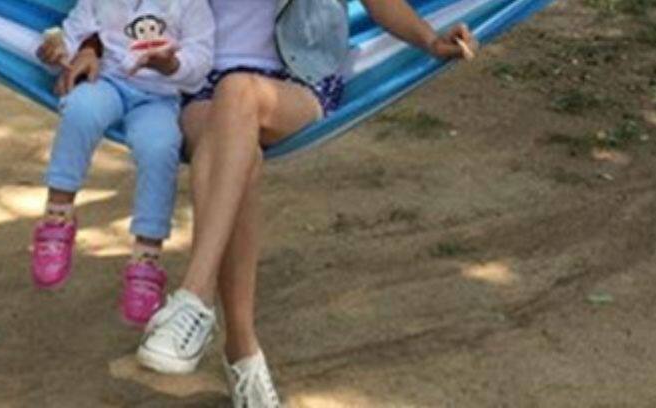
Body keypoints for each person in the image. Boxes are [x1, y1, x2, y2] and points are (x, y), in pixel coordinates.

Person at [55, 0, 469, 405]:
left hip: (296, 78)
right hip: (199, 82)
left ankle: (194, 297)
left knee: (238, 93)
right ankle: (242, 352)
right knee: (240, 160)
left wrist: (430, 39)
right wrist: (90, 46)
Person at [30, 0, 214, 328]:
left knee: (160, 147)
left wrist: (171, 65)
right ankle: (56, 220)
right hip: (107, 82)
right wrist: (58, 53)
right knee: (79, 109)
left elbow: (201, 61)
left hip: (159, 99)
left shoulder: (190, 5)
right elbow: (74, 35)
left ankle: (146, 258)